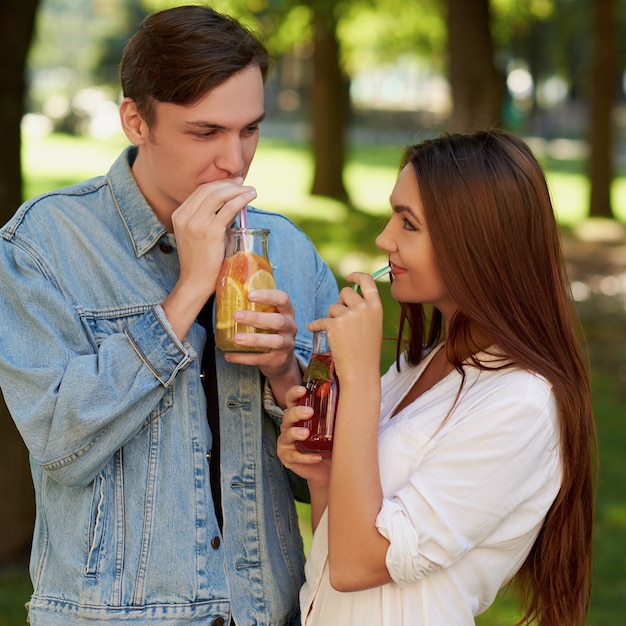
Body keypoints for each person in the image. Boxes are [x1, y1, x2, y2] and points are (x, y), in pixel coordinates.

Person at [0, 6, 338, 626]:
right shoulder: (43, 244)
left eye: (251, 130)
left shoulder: (287, 250)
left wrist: (285, 375)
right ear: (136, 120)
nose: (234, 161)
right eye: (205, 133)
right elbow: (58, 446)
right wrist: (187, 294)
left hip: (271, 613)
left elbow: (332, 481)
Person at [278, 130, 597, 625]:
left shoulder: (522, 405)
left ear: (475, 242)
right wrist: (323, 477)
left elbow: (357, 565)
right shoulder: (424, 363)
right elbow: (333, 546)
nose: (384, 239)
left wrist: (360, 380)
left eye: (408, 224)